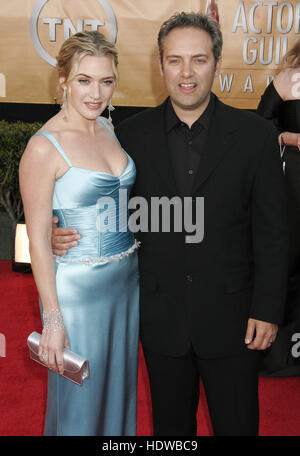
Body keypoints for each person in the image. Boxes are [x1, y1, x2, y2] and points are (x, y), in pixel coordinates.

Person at [51, 13, 288, 436]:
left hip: (235, 319)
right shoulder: (128, 135)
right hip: (159, 318)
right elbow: (107, 209)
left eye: (199, 59)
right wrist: (62, 230)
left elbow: (273, 233)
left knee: (238, 426)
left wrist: (267, 309)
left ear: (217, 62)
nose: (186, 72)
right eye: (175, 60)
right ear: (160, 66)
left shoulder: (255, 136)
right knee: (171, 433)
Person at [19, 31, 139, 436]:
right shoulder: (43, 147)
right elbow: (37, 238)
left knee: (117, 394)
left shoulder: (107, 127)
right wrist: (52, 320)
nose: (96, 93)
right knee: (80, 405)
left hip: (124, 285)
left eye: (106, 81)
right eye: (85, 80)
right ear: (63, 79)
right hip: (78, 292)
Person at [257, 42, 300, 377]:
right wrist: (291, 139)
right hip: (294, 182)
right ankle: (280, 350)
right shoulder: (289, 79)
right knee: (289, 258)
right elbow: (261, 126)